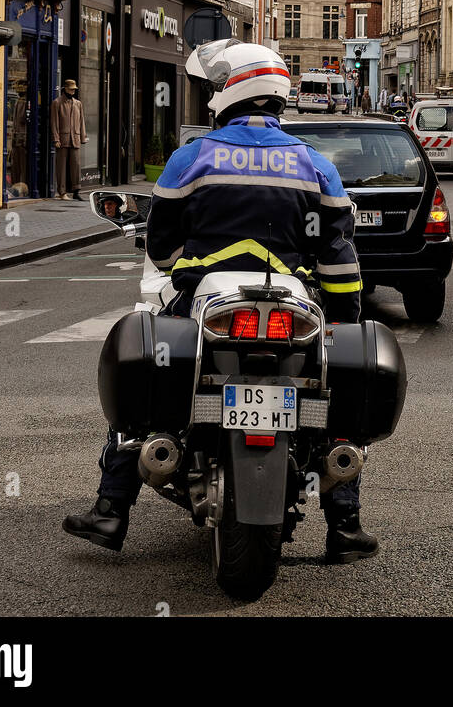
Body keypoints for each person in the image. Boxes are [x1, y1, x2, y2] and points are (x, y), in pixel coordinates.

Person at [63, 39, 376, 565]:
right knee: (329, 383)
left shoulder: (191, 158)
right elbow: (339, 256)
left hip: (210, 300)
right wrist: (344, 318)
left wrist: (188, 266)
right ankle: (344, 523)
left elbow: (161, 245)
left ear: (229, 92)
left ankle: (111, 510)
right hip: (293, 302)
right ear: (276, 98)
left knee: (148, 376)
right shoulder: (316, 165)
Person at [50, 79, 88, 200]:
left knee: (76, 165)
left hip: (75, 138)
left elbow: (81, 121)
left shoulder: (78, 103)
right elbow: (54, 123)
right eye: (71, 89)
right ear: (65, 88)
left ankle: (76, 191)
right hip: (62, 139)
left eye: (74, 89)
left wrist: (83, 136)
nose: (73, 91)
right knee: (61, 167)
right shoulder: (57, 103)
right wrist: (56, 139)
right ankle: (62, 192)